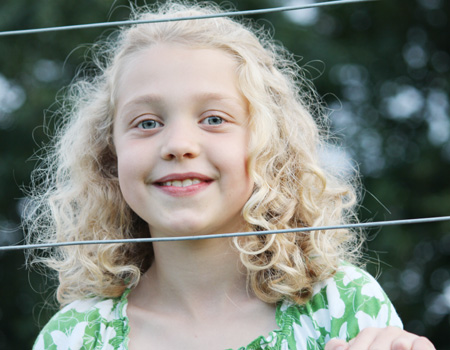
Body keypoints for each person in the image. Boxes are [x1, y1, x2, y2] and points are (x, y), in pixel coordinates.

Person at [27, 2, 435, 349]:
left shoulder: (340, 306)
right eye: (147, 122)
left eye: (214, 118)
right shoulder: (74, 337)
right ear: (108, 156)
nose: (178, 144)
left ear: (269, 145)